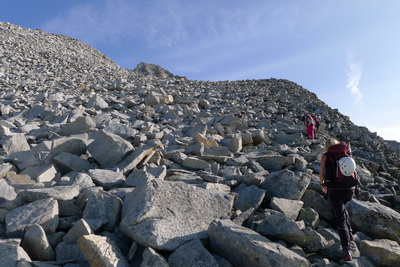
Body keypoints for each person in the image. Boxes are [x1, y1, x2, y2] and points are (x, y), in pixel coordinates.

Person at [319, 138, 355, 261]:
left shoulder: (326, 155)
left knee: (340, 218)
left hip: (335, 190)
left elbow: (321, 173)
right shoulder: (346, 152)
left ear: (327, 146)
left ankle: (346, 250)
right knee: (345, 207)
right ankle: (350, 234)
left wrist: (322, 183)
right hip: (350, 187)